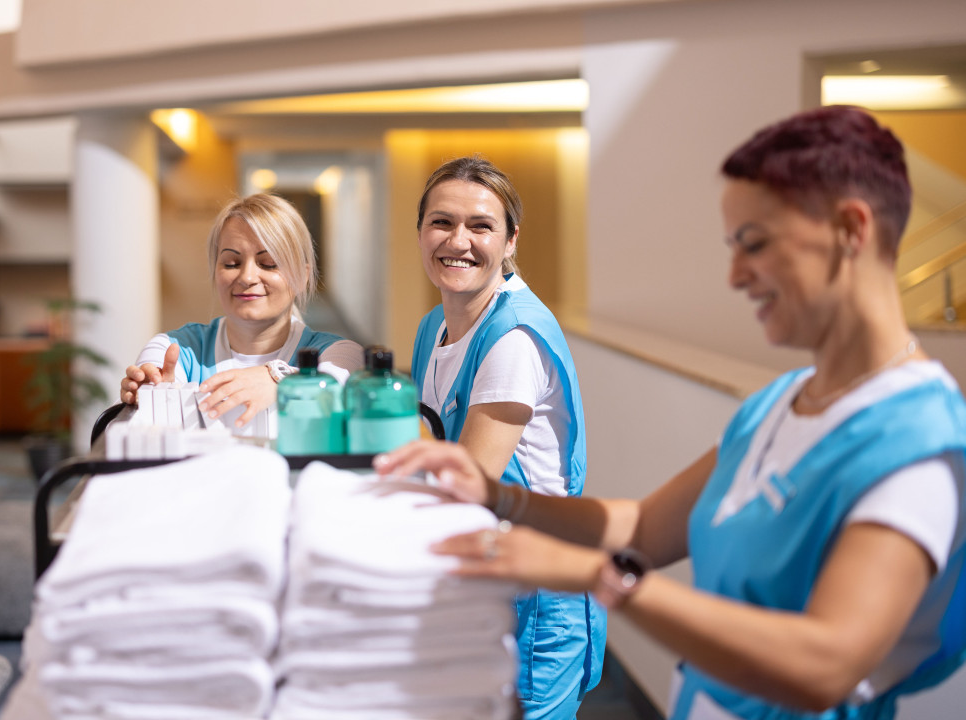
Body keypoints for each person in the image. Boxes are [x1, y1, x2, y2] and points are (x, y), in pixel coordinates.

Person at [377, 107, 966, 720]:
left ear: (850, 230)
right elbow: (641, 530)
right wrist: (500, 498)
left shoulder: (918, 438)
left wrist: (593, 575)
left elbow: (825, 667)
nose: (736, 275)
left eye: (755, 244)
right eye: (733, 247)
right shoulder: (781, 403)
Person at [409, 156, 606, 719]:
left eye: (481, 226)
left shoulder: (513, 339)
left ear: (511, 239)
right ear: (420, 232)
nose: (459, 242)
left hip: (535, 591)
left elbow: (466, 485)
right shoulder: (435, 325)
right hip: (482, 572)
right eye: (442, 223)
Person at [119, 193, 363, 436]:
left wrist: (276, 378)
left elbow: (338, 382)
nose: (247, 277)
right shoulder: (173, 350)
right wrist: (152, 396)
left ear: (303, 277)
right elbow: (140, 415)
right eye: (231, 263)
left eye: (268, 263)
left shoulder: (336, 353)